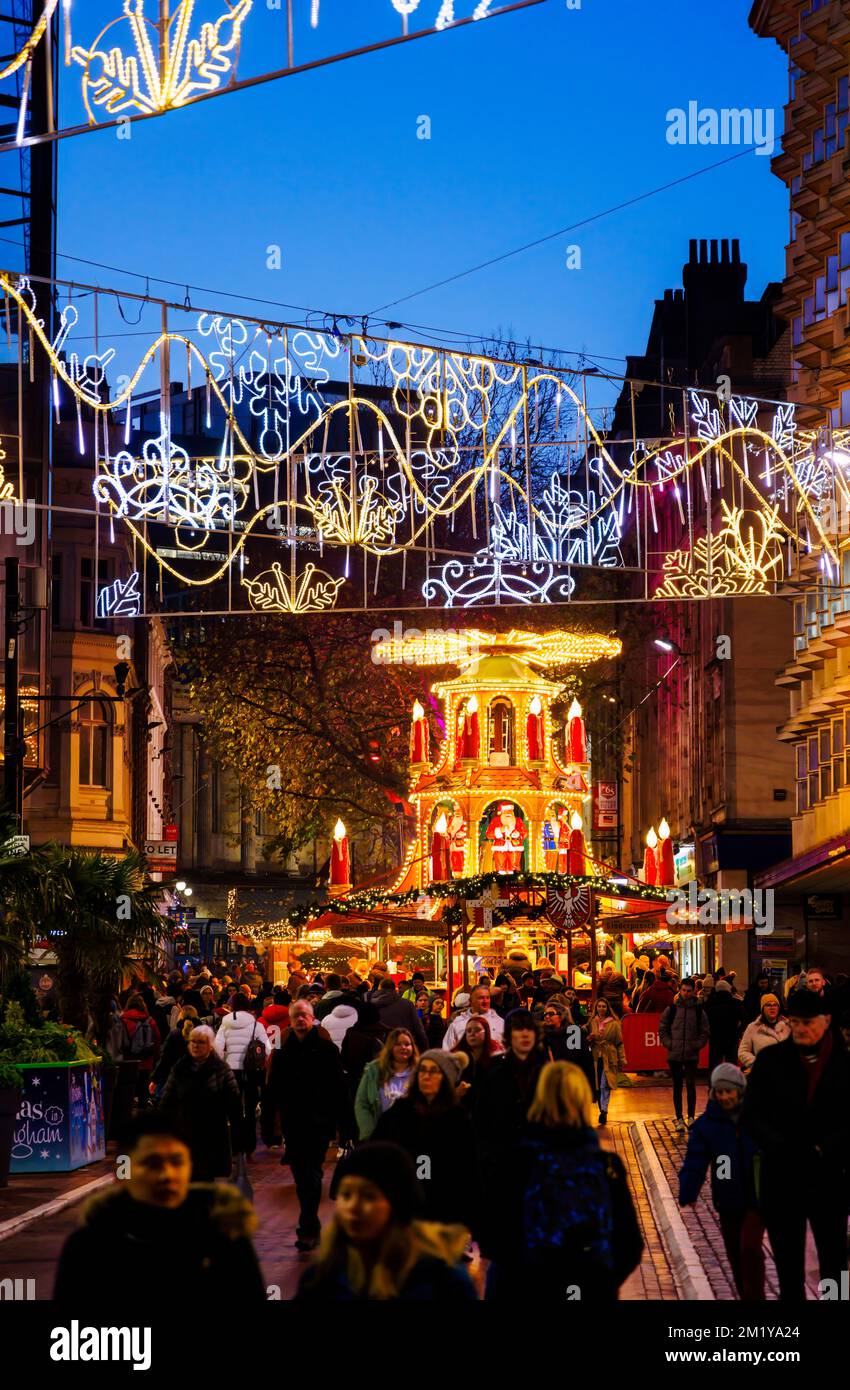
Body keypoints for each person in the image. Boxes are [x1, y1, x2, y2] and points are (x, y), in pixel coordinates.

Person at [53, 1114, 266, 1301]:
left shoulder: (225, 1236)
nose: (167, 1175)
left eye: (177, 1162)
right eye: (152, 1164)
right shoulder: (89, 1249)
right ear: (121, 1170)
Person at [742, 988, 850, 1300]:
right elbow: (752, 1115)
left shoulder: (842, 1065)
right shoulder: (771, 1062)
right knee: (788, 1266)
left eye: (808, 1022)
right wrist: (780, 1146)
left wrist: (826, 1148)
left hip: (828, 1177)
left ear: (825, 1021)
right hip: (783, 1177)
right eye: (796, 1022)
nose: (801, 1029)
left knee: (833, 1263)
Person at [506, 1062, 643, 1302]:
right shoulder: (605, 1165)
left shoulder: (518, 1160)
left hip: (536, 1283)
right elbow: (629, 1241)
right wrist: (604, 1281)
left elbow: (501, 1232)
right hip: (593, 1281)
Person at [295, 1142, 477, 1301]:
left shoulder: (442, 1281)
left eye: (368, 1196)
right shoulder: (322, 1278)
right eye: (346, 1195)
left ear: (397, 1204)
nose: (353, 1206)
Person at [266, 999, 349, 1252]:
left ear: (312, 1018)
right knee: (303, 1174)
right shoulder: (282, 1053)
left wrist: (344, 1126)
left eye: (305, 1015)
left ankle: (308, 1227)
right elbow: (272, 1091)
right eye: (296, 1017)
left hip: (319, 1121)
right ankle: (310, 1224)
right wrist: (270, 1125)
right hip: (294, 1122)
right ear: (290, 1022)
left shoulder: (327, 1051)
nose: (301, 1020)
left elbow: (339, 1090)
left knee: (311, 1172)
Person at [678, 1063, 764, 1301]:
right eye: (720, 1091)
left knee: (750, 1249)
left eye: (729, 1091)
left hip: (757, 1198)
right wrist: (687, 1190)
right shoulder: (708, 1125)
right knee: (735, 1254)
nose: (725, 1096)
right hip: (727, 1199)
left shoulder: (756, 1117)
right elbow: (695, 1160)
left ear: (740, 1090)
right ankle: (745, 1294)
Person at [474, 1008, 546, 1275]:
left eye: (529, 1029)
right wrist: (488, 1159)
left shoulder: (548, 1074)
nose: (524, 1035)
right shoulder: (495, 1073)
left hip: (540, 1169)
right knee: (504, 1256)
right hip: (502, 1168)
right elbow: (482, 1122)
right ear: (509, 1036)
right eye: (518, 1030)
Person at [373, 1051, 476, 1227]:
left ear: (445, 1078)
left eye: (433, 1071)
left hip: (444, 1205)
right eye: (422, 1070)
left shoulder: (457, 1117)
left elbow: (468, 1167)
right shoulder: (401, 1110)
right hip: (404, 1202)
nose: (426, 1076)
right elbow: (378, 1146)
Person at [159, 1025, 243, 1182]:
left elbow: (234, 1105)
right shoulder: (180, 1068)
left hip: (213, 1134)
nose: (195, 1046)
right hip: (185, 1131)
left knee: (206, 1180)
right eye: (192, 1042)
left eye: (200, 1042)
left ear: (210, 1045)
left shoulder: (221, 1070)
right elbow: (167, 1100)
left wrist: (238, 1139)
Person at [214, 995, 272, 1158]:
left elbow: (218, 1047)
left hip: (231, 1070)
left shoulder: (225, 1023)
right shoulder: (256, 1024)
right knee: (251, 1108)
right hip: (251, 1071)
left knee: (233, 1110)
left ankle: (235, 1147)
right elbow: (267, 1049)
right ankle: (249, 1147)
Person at [658, 977, 710, 1132]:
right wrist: (669, 1043)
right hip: (674, 1054)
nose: (686, 993)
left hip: (691, 1054)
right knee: (677, 1086)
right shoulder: (672, 1009)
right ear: (679, 990)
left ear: (693, 991)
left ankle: (691, 1117)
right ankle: (679, 1117)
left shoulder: (699, 1011)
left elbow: (704, 1031)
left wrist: (697, 1045)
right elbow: (663, 1028)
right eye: (683, 990)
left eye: (689, 990)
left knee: (691, 1085)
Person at [354, 1028, 418, 1140]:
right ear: (390, 1047)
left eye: (407, 1044)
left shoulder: (420, 1072)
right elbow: (362, 1103)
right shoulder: (374, 1070)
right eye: (398, 1044)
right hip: (380, 1135)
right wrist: (369, 1132)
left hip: (411, 1135)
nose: (403, 1047)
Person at [588, 998, 627, 1126]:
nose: (601, 1008)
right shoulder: (591, 1022)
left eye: (604, 1006)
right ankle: (601, 1108)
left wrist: (622, 1059)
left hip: (609, 1057)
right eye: (599, 1006)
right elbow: (585, 1040)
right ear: (596, 1008)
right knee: (597, 1085)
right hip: (595, 1057)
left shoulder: (614, 1024)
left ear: (607, 1008)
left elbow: (619, 1043)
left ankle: (604, 1110)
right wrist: (590, 1039)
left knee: (606, 1084)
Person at [341, 999, 389, 1100]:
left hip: (356, 1081)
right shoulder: (387, 1032)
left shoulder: (352, 1033)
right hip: (382, 1082)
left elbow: (344, 1059)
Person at [118, 992, 161, 1103]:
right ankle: (143, 1112)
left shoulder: (123, 1020)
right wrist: (155, 1058)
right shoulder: (150, 1021)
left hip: (128, 1062)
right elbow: (157, 1041)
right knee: (143, 1091)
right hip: (146, 1061)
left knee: (128, 1092)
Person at [452, 1015, 502, 1109]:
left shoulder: (496, 1059)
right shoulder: (458, 1059)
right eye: (469, 1031)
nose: (472, 1034)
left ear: (486, 1032)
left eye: (477, 1030)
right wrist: (456, 1093)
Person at [149, 1005, 198, 1097]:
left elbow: (164, 1059)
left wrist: (155, 1079)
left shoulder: (175, 1034)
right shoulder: (202, 1034)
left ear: (181, 1016)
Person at [441, 982, 505, 1050]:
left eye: (487, 998)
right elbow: (447, 1049)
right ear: (471, 1001)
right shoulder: (458, 1023)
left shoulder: (500, 1022)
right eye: (481, 998)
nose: (485, 1001)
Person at [371, 977, 428, 1050]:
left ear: (379, 989)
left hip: (380, 1050)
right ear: (395, 989)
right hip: (403, 1047)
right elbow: (419, 1030)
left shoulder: (371, 1006)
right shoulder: (407, 1004)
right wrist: (424, 1050)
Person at [738, 994, 790, 1073]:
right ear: (762, 1009)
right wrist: (758, 1064)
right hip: (763, 1074)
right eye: (768, 1005)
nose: (772, 1007)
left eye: (775, 1005)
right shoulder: (753, 1027)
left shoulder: (787, 1026)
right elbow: (743, 1051)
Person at [705, 978, 744, 1073]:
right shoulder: (736, 1003)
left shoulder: (709, 1004)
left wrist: (708, 1032)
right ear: (729, 989)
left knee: (714, 1065)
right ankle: (731, 1085)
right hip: (732, 1038)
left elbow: (703, 1021)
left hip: (715, 1038)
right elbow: (745, 1019)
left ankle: (713, 1086)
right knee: (731, 1064)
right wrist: (738, 1032)